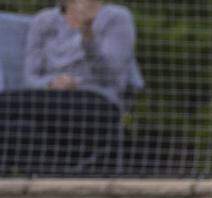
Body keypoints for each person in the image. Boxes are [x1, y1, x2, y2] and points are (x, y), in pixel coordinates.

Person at [1, 0, 137, 175]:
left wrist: (88, 37)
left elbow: (111, 77)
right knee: (15, 129)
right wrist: (51, 83)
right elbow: (30, 78)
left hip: (95, 100)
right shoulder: (44, 20)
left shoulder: (117, 17)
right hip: (45, 99)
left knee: (8, 106)